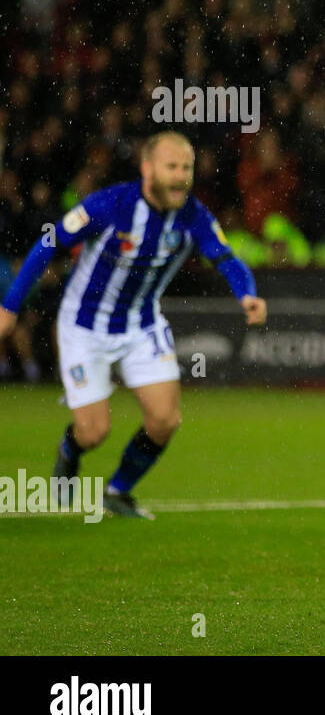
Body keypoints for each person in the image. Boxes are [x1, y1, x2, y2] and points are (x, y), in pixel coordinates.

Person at [0, 131, 267, 519]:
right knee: (94, 432)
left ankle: (118, 491)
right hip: (83, 326)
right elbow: (50, 243)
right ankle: (70, 450)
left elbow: (226, 258)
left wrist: (248, 293)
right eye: (171, 167)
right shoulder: (110, 205)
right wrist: (9, 309)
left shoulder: (194, 216)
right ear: (148, 169)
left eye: (186, 168)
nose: (180, 176)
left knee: (164, 420)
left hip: (141, 325)